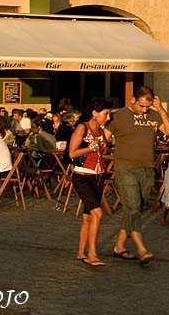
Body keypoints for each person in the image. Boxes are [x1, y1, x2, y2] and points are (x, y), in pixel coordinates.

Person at [106, 85, 169, 264]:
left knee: (134, 209)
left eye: (148, 106)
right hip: (125, 168)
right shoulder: (118, 116)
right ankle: (142, 249)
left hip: (146, 168)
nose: (144, 110)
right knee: (134, 206)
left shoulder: (153, 115)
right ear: (132, 100)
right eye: (141, 106)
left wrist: (160, 109)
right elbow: (104, 137)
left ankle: (119, 246)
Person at [68, 97, 112, 267]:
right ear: (94, 113)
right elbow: (72, 153)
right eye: (105, 114)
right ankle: (92, 254)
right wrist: (91, 148)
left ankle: (81, 251)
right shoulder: (82, 128)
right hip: (82, 176)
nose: (107, 118)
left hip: (98, 176)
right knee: (97, 214)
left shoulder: (102, 130)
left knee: (88, 216)